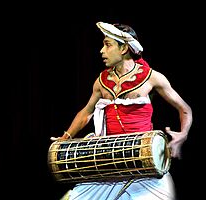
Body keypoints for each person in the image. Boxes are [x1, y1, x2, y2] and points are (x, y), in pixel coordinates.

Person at [50, 21, 192, 200]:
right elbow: (86, 113)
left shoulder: (152, 78)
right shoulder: (101, 81)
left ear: (124, 48)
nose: (101, 51)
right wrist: (66, 138)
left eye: (107, 45)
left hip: (144, 165)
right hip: (108, 164)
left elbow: (184, 109)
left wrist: (182, 135)